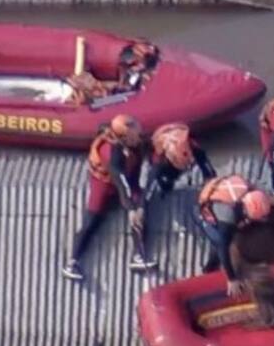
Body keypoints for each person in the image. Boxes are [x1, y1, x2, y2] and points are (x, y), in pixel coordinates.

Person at [62, 114, 153, 280]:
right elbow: (119, 177)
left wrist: (138, 204)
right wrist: (130, 207)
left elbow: (134, 176)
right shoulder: (110, 150)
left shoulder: (135, 146)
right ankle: (73, 261)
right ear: (123, 136)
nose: (138, 138)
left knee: (141, 207)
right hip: (104, 183)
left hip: (126, 179)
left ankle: (139, 254)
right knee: (93, 219)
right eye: (134, 135)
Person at [196, 174, 272, 297]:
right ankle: (209, 268)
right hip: (206, 215)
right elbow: (223, 248)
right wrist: (232, 278)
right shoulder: (227, 218)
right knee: (219, 242)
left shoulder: (252, 193)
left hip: (220, 195)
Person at [144, 122, 216, 201]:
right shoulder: (158, 162)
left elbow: (209, 173)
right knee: (165, 188)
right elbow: (149, 190)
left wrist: (209, 184)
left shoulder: (195, 148)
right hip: (167, 172)